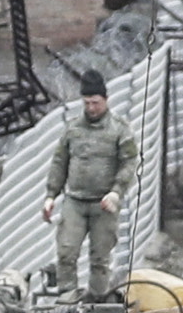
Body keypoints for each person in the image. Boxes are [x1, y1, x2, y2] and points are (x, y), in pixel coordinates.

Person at [47, 69, 139, 300]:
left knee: (100, 259)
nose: (91, 108)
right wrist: (50, 195)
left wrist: (116, 193)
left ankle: (98, 304)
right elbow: (60, 161)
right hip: (75, 201)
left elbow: (129, 163)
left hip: (104, 204)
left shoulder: (120, 129)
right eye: (86, 103)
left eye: (95, 103)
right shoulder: (73, 129)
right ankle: (66, 303)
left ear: (105, 100)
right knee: (66, 253)